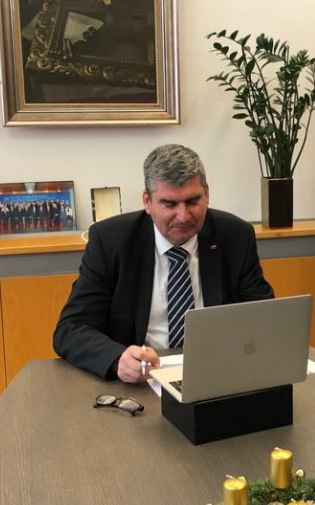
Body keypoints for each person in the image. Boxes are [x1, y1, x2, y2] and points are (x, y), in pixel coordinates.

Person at [53, 144, 274, 383]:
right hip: (142, 380)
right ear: (147, 201)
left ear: (206, 193)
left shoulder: (235, 236)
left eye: (192, 201)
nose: (183, 215)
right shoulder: (110, 241)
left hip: (217, 375)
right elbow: (70, 329)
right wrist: (118, 359)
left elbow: (264, 316)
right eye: (170, 204)